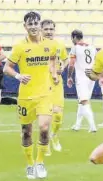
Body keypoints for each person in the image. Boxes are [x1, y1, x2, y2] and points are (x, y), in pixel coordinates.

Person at [3, 12, 58, 179]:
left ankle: (40, 162)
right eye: (30, 24)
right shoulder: (20, 47)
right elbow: (7, 68)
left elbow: (53, 60)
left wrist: (54, 73)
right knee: (26, 132)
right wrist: (19, 76)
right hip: (26, 96)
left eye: (36, 23)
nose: (33, 27)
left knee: (43, 128)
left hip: (45, 94)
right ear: (25, 26)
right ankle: (29, 164)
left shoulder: (50, 45)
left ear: (39, 25)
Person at [41, 19, 69, 154]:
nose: (48, 32)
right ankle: (45, 143)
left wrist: (63, 66)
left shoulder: (59, 45)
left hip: (57, 82)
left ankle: (54, 136)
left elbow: (66, 59)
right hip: (42, 83)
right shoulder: (37, 45)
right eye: (46, 29)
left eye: (51, 29)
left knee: (58, 115)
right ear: (41, 30)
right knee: (45, 115)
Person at [67, 29, 97, 132]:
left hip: (81, 77)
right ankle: (77, 125)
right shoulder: (92, 47)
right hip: (92, 77)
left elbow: (71, 64)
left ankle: (93, 126)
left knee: (84, 101)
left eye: (72, 38)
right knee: (81, 101)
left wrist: (69, 76)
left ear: (74, 37)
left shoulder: (75, 48)